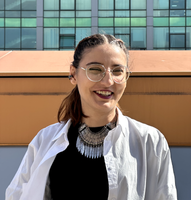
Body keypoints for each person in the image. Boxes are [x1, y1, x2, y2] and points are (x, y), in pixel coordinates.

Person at [5, 34, 177, 200]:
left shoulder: (150, 141)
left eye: (118, 71)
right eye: (95, 69)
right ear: (73, 74)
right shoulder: (45, 140)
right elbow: (16, 195)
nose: (108, 81)